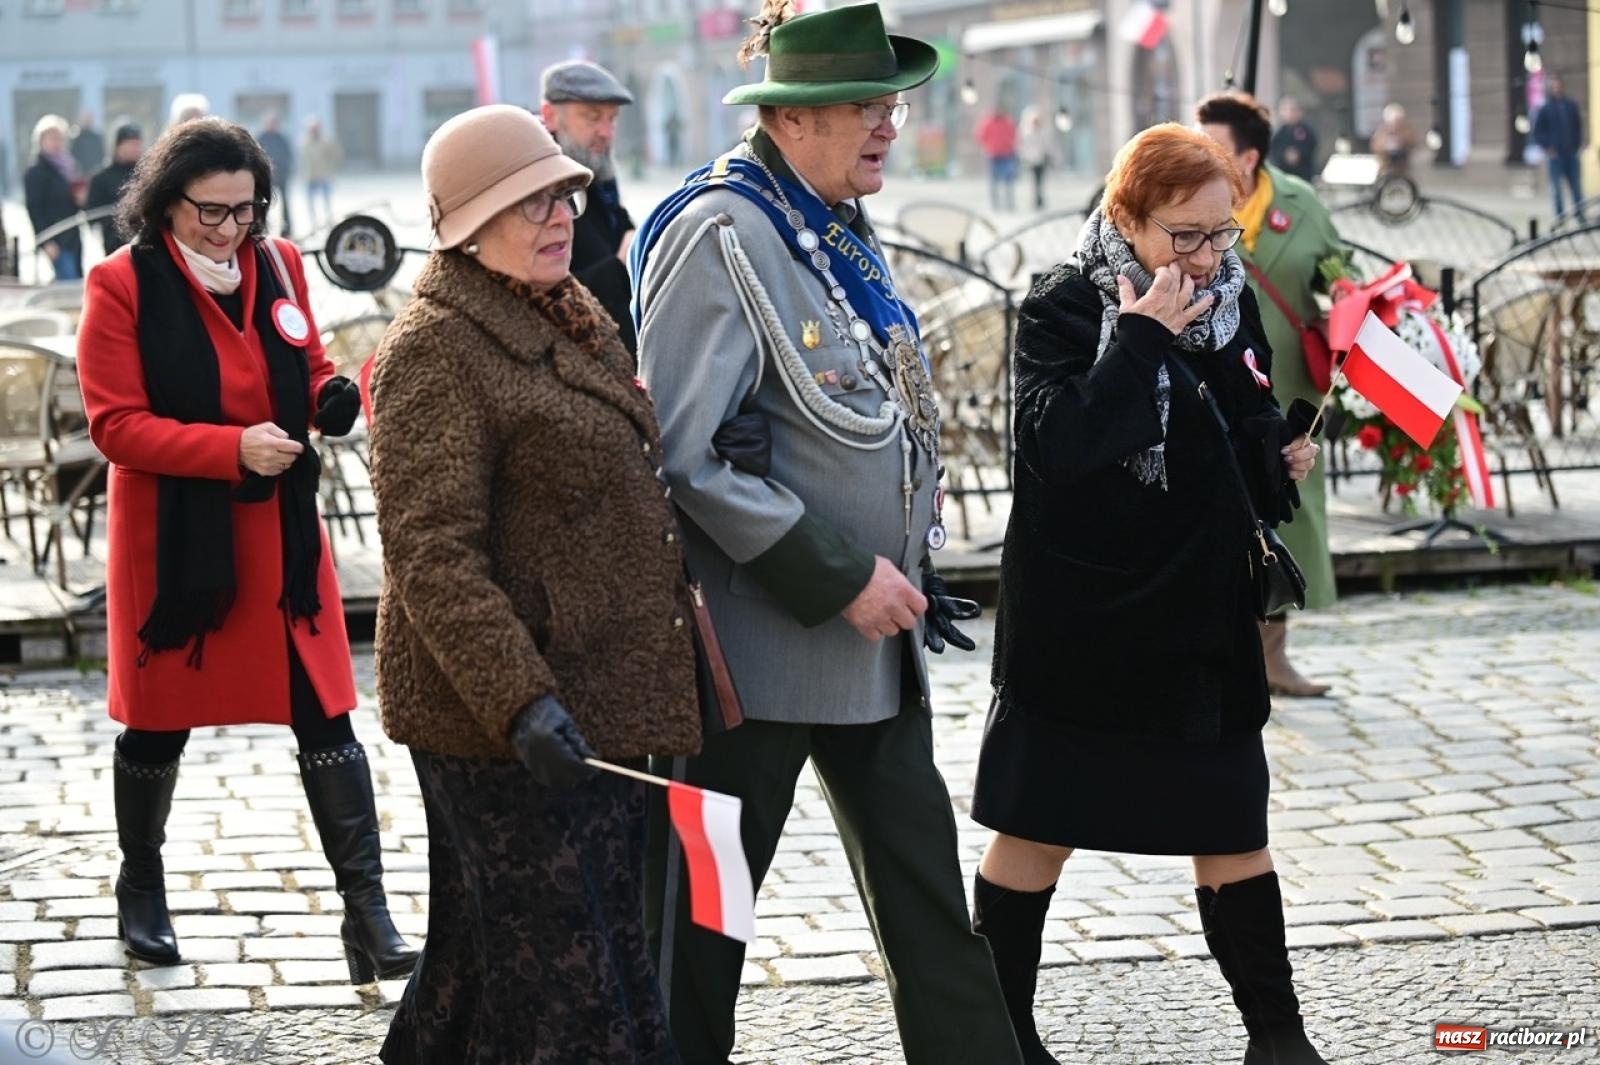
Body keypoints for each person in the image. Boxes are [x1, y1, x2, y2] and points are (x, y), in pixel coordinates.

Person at [632, 4, 1023, 1063]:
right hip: (754, 652)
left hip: (871, 643)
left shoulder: (829, 220)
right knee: (702, 924)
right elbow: (680, 450)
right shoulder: (727, 229)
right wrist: (837, 574)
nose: (887, 124)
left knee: (928, 904)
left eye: (891, 103)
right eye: (861, 105)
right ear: (791, 118)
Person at [969, 123, 1325, 1065]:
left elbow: (1235, 419)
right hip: (1085, 624)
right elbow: (1059, 451)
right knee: (1035, 835)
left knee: (1234, 830)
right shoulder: (1059, 304)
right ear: (1126, 217)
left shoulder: (1229, 296)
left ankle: (1279, 1040)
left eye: (1222, 232)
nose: (1208, 256)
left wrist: (1276, 445)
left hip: (1199, 622)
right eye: (1185, 235)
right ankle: (998, 1037)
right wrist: (1137, 336)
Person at [368, 103, 700, 1064]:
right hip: (507, 723)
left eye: (561, 193)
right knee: (572, 991)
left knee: (481, 969)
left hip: (599, 701)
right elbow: (429, 553)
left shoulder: (563, 305)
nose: (558, 215)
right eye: (528, 204)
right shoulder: (436, 345)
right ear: (467, 227)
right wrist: (520, 701)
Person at [73, 118, 416, 984]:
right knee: (158, 723)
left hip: (279, 536)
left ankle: (366, 913)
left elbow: (302, 363)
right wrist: (229, 450)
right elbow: (115, 425)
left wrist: (330, 393)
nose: (230, 230)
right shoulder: (120, 283)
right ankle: (140, 884)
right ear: (164, 202)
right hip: (177, 545)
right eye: (210, 213)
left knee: (325, 711)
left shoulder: (281, 262)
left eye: (246, 211)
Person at [1200, 91, 1343, 696]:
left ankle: (1273, 657)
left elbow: (1337, 273)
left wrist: (1350, 296)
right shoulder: (1186, 198)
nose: (1201, 154)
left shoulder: (1300, 204)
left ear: (1251, 156)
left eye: (1216, 147)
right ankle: (1217, 655)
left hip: (1285, 394)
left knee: (1286, 516)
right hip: (1209, 386)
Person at [541, 59, 641, 355]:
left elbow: (622, 234)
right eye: (592, 117)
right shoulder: (535, 188)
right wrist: (620, 266)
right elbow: (541, 297)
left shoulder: (595, 170)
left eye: (612, 119)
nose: (606, 132)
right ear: (550, 116)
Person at [24, 114, 84, 281]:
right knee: (67, 283)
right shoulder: (35, 172)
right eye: (51, 138)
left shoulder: (69, 168)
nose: (56, 142)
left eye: (59, 138)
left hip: (73, 236)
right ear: (40, 141)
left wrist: (80, 200)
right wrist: (46, 242)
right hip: (55, 239)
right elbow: (34, 209)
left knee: (76, 283)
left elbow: (74, 205)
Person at [1533, 73, 1585, 221]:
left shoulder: (1570, 105)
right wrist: (1548, 147)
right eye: (1553, 86)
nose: (1557, 88)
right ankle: (1560, 216)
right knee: (1556, 188)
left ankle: (1580, 214)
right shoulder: (1545, 109)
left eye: (1558, 85)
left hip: (1571, 153)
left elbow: (1578, 127)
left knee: (1575, 186)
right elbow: (1538, 132)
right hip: (1555, 155)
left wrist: (1577, 145)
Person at [86, 122, 143, 255]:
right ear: (118, 146)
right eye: (130, 144)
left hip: (145, 244)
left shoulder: (146, 175)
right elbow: (92, 214)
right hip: (115, 246)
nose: (134, 149)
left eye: (137, 144)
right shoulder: (101, 178)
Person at [257, 113, 296, 237]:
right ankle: (262, 226)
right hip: (267, 176)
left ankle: (287, 228)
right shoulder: (261, 138)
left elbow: (289, 155)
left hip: (282, 176)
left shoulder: (282, 139)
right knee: (264, 203)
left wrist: (287, 170)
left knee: (285, 204)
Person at [976, 103, 1019, 212]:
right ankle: (995, 204)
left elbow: (1015, 135)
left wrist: (1009, 145)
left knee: (1008, 180)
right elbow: (980, 135)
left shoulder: (1008, 122)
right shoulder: (988, 122)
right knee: (993, 181)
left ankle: (1010, 203)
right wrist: (988, 146)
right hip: (993, 155)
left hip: (1006, 154)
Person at [301, 116, 341, 229]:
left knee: (326, 201)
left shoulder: (327, 141)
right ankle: (314, 223)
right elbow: (303, 159)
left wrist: (331, 168)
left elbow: (336, 155)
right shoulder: (304, 142)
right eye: (311, 128)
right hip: (310, 176)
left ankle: (329, 221)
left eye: (315, 128)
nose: (313, 130)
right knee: (310, 202)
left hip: (324, 175)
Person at [1268, 96, 1319, 183]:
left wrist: (1299, 154)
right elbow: (1273, 150)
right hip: (1284, 176)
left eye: (1292, 110)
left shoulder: (1306, 131)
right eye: (1286, 110)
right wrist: (1284, 156)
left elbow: (1311, 145)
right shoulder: (1279, 133)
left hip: (1303, 175)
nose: (1289, 113)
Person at [1016, 105, 1056, 211]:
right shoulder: (1026, 131)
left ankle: (1039, 198)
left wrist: (1051, 156)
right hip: (1032, 160)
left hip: (1041, 159)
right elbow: (1022, 146)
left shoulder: (1043, 131)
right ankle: (1037, 199)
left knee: (1040, 180)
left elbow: (1048, 145)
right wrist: (1023, 157)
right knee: (1035, 180)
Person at [1370, 103, 1416, 179]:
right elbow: (1375, 146)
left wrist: (1401, 139)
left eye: (1397, 121)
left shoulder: (1407, 130)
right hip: (1386, 164)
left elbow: (1412, 143)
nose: (1395, 125)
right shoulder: (1382, 132)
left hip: (1402, 164)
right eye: (1392, 121)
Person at [71, 111, 105, 177]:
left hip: (94, 172)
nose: (87, 120)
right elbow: (73, 154)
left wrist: (96, 168)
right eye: (85, 118)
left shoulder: (96, 137)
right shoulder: (76, 137)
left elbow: (100, 153)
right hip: (79, 173)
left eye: (89, 118)